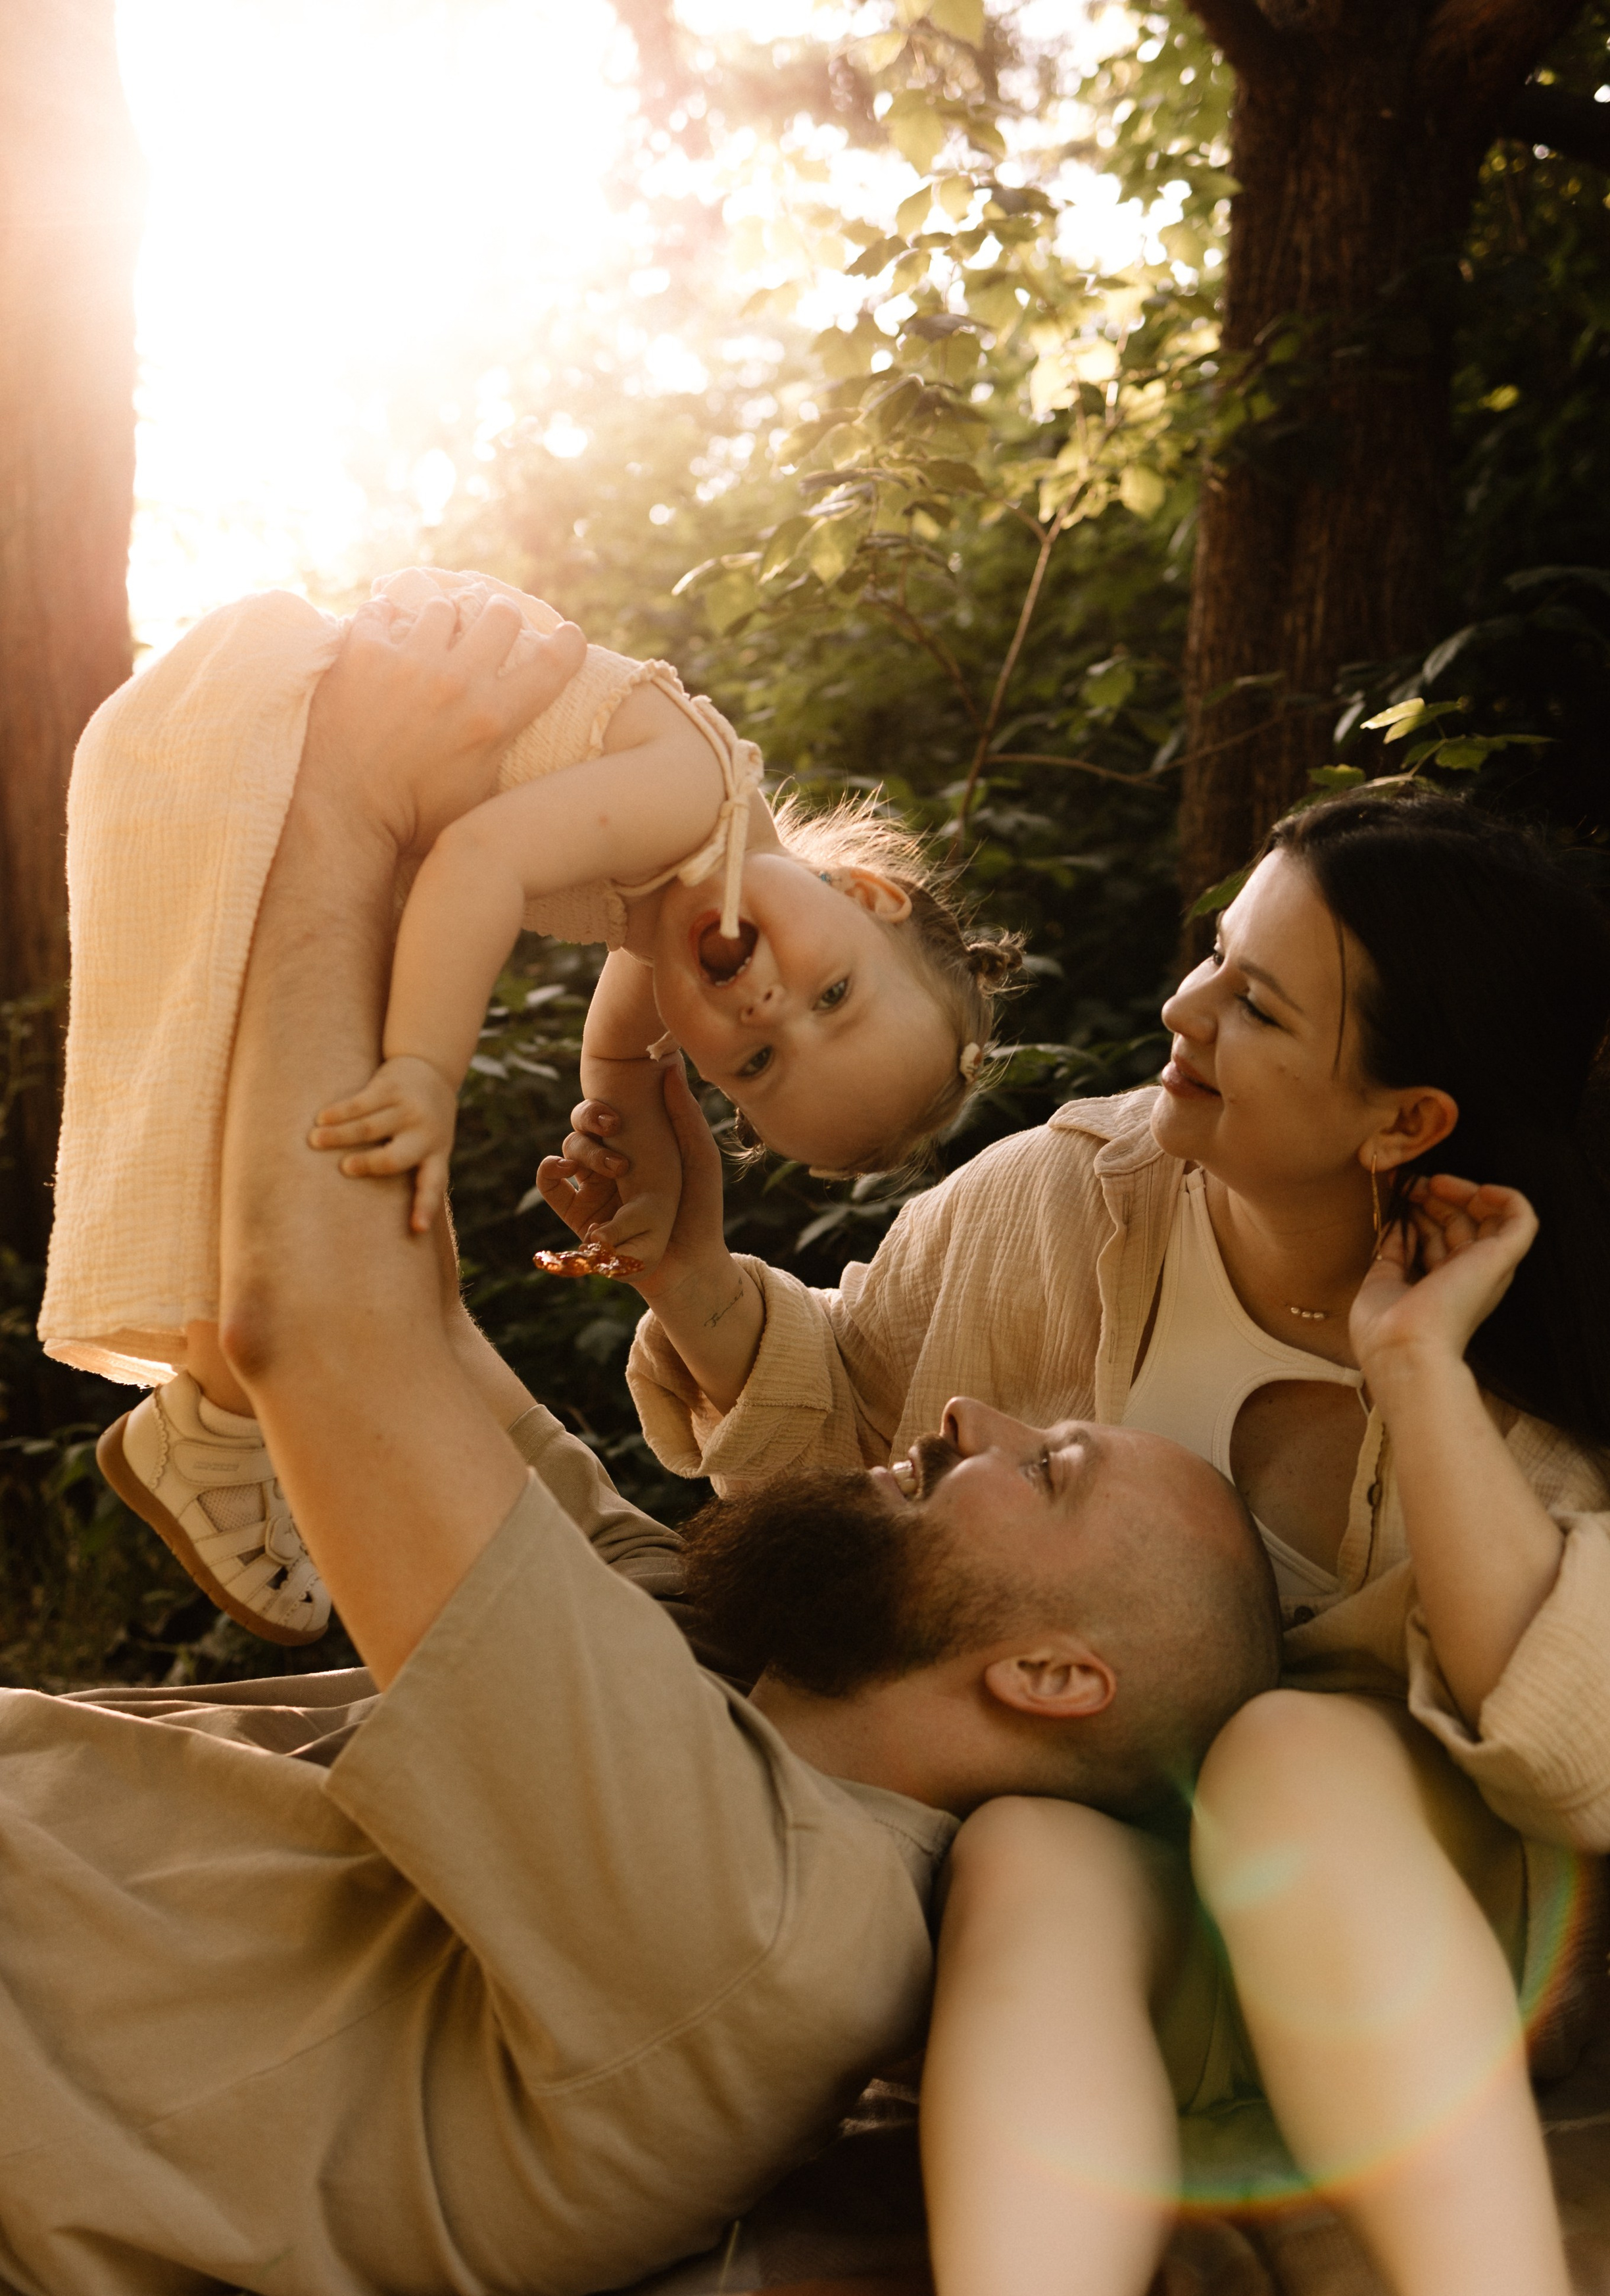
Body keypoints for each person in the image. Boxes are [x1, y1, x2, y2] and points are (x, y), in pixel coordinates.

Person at [0, 595, 1278, 2296]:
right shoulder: (722, 1678)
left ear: (1053, 1677)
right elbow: (408, 1334)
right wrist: (684, 1257)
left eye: (1049, 1464)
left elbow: (314, 1329)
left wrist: (352, 799)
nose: (970, 1420)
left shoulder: (756, 1912)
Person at [559, 786, 1610, 2296]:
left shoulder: (1510, 1370)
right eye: (1217, 955)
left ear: (1404, 1122)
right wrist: (687, 1274)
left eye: (1254, 1004)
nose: (1183, 1008)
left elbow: (1591, 1763)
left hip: (1392, 1957)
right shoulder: (1066, 1199)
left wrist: (1414, 1364)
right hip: (1131, 1950)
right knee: (1025, 1840)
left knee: (1284, 1743)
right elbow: (847, 1411)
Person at [39, 567, 1019, 1647]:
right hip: (262, 735)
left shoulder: (680, 900)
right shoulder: (695, 800)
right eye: (834, 995)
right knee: (320, 1128)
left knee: (272, 1133)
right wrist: (424, 1072)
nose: (768, 1007)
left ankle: (212, 1415)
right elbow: (479, 857)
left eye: (754, 1067)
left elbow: (620, 1058)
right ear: (870, 896)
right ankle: (220, 1418)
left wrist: (636, 1185)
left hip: (286, 753)